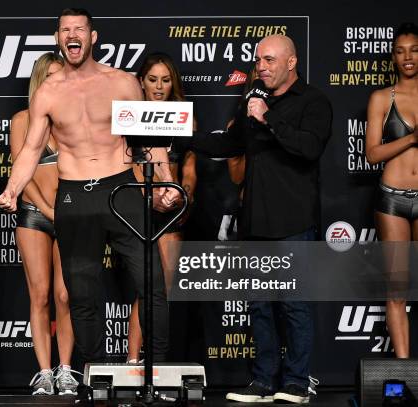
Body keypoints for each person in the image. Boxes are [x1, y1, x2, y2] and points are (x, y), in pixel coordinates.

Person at [0, 8, 179, 367]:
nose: (72, 34)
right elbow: (32, 149)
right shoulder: (48, 92)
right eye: (65, 29)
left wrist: (166, 181)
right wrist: (12, 188)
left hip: (122, 189)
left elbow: (149, 138)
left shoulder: (123, 82)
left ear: (92, 37)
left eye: (79, 28)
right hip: (75, 195)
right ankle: (93, 371)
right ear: (58, 38)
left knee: (151, 282)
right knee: (81, 293)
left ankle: (157, 368)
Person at [190, 35, 332, 404]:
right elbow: (229, 144)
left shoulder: (313, 101)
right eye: (258, 60)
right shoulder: (253, 99)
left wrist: (267, 118)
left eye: (269, 60)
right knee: (259, 305)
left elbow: (309, 148)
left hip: (294, 220)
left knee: (294, 304)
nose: (261, 66)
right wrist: (184, 138)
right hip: (254, 219)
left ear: (291, 62)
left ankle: (297, 383)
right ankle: (263, 381)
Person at [11, 52, 79, 395]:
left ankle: (66, 369)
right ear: (39, 81)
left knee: (65, 295)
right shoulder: (23, 119)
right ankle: (44, 372)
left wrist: (65, 210)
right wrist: (46, 209)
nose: (58, 82)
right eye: (51, 76)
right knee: (39, 296)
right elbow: (22, 173)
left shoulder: (73, 120)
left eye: (62, 76)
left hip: (69, 214)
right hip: (34, 214)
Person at [126, 52, 197, 363]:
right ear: (141, 81)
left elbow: (191, 170)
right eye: (152, 79)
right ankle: (132, 361)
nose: (158, 87)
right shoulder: (130, 116)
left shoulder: (186, 118)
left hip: (174, 212)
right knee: (146, 288)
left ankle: (158, 361)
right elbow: (126, 165)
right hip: (138, 211)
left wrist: (181, 195)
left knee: (163, 289)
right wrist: (149, 195)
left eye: (165, 81)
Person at [365, 22, 418, 359]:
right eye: (400, 51)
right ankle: (403, 371)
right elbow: (372, 153)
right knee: (397, 290)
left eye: (414, 50)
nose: (407, 57)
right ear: (393, 57)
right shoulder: (383, 97)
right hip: (393, 198)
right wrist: (412, 138)